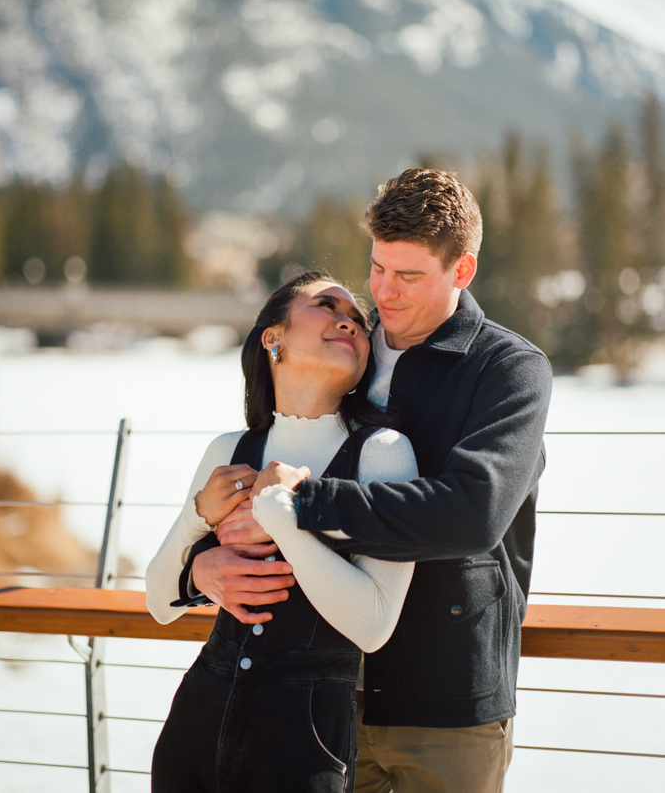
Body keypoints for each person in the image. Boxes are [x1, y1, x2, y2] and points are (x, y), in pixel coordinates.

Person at [185, 169, 553, 793]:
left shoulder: (509, 370)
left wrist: (304, 500)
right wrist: (200, 563)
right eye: (378, 267)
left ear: (461, 272)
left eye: (409, 276)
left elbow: (475, 513)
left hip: (448, 705)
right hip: (317, 695)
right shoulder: (343, 349)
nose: (383, 291)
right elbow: (272, 451)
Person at [145, 270, 420, 793]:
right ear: (274, 338)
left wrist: (285, 524)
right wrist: (197, 534)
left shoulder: (382, 454)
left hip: (304, 744)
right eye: (326, 304)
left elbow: (375, 624)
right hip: (196, 728)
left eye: (359, 320)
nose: (350, 320)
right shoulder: (228, 451)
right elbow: (159, 601)